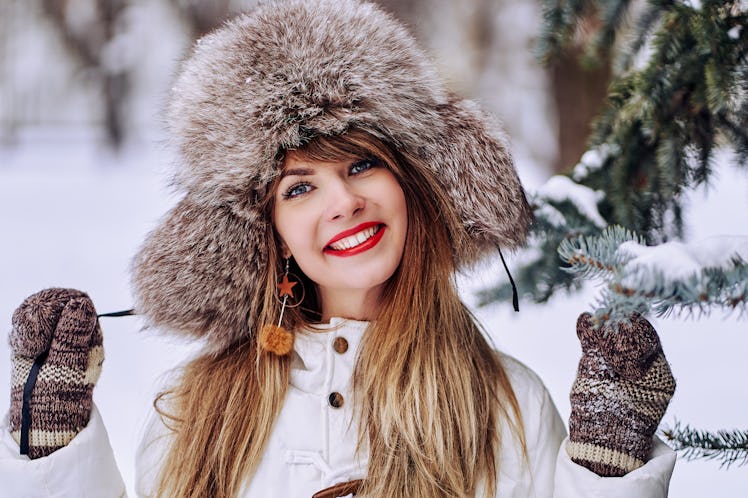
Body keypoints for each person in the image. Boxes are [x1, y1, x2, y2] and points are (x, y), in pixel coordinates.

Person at [0, 0, 677, 496]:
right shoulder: (192, 407)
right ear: (264, 231)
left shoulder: (507, 403)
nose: (342, 202)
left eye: (360, 165)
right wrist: (55, 448)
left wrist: (607, 470)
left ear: (411, 180)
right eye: (299, 188)